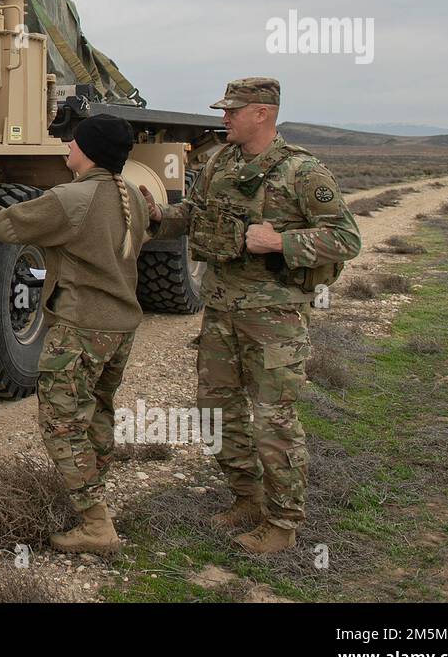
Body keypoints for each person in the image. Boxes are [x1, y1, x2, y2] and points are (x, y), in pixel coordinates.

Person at [139, 78, 361, 554]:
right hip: (220, 310)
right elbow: (194, 215)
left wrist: (281, 241)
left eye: (232, 111)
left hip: (274, 317)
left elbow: (346, 239)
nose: (223, 118)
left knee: (273, 420)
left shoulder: (302, 171)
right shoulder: (220, 161)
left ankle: (282, 524)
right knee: (217, 410)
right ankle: (247, 497)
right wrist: (158, 214)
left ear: (262, 113)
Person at [0, 115, 148, 555]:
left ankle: (96, 523)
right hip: (120, 327)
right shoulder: (131, 197)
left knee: (61, 424)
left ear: (89, 152)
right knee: (98, 413)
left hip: (82, 328)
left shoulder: (71, 199)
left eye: (74, 141)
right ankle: (95, 496)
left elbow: (4, 224)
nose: (67, 144)